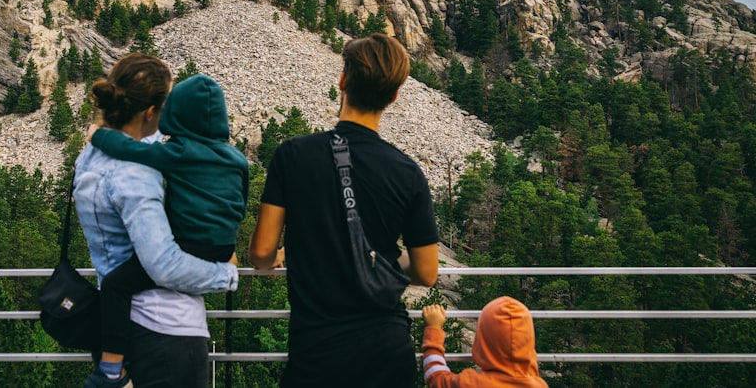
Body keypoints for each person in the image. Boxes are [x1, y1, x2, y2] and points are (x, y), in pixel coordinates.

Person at [249, 33, 440, 388]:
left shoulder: (292, 155)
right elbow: (427, 272)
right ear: (394, 97)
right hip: (387, 351)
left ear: (343, 81)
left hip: (317, 353)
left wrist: (289, 254)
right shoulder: (407, 172)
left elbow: (261, 253)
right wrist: (377, 262)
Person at [74, 53, 239, 388]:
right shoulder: (134, 173)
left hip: (117, 330)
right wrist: (226, 274)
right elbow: (163, 265)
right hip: (165, 333)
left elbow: (140, 141)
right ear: (150, 113)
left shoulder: (90, 156)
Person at [420, 298, 549, 388]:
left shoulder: (471, 383)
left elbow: (435, 377)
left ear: (482, 341)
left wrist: (434, 329)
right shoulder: (539, 385)